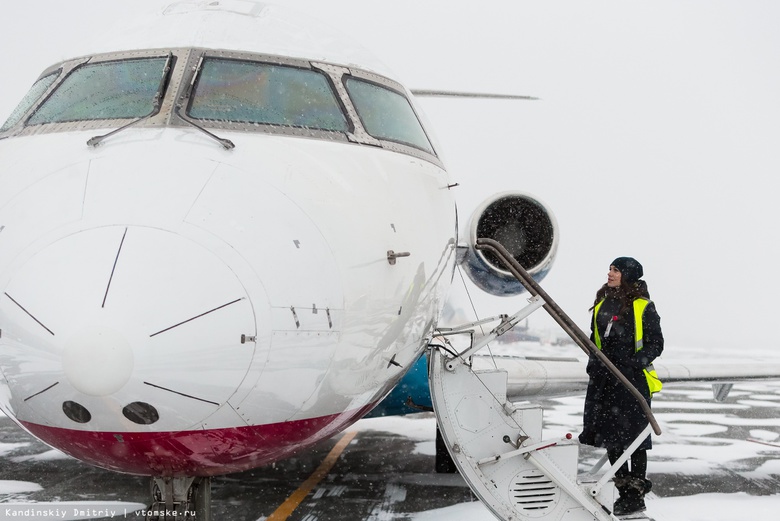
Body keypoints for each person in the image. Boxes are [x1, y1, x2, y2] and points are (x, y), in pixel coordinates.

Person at [578, 257, 664, 516]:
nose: (610, 273)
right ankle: (625, 491)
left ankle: (635, 495)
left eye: (615, 270)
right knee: (612, 439)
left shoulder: (643, 307)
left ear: (627, 275)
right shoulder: (602, 304)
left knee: (636, 440)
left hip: (632, 381)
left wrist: (635, 362)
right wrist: (595, 363)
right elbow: (595, 340)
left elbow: (656, 343)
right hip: (605, 381)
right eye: (610, 269)